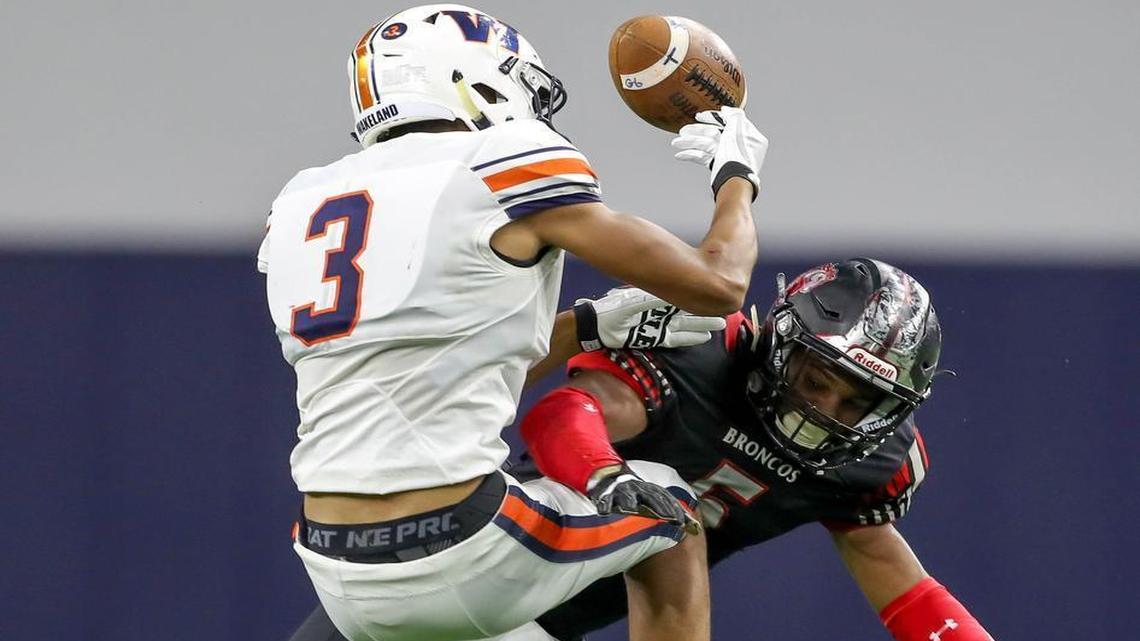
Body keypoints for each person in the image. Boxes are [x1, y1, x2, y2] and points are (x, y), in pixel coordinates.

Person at [256, 3, 768, 641]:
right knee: (670, 506)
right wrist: (737, 176)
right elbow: (719, 283)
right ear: (471, 79)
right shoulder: (502, 159)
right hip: (460, 544)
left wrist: (586, 325)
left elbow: (434, 368)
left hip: (331, 562)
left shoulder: (304, 199)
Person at [284, 259, 996, 641]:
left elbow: (902, 585)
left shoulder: (868, 463)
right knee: (664, 495)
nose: (825, 410)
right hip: (476, 572)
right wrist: (607, 477)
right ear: (782, 341)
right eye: (817, 378)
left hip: (529, 622)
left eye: (856, 401)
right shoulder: (698, 356)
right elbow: (566, 412)